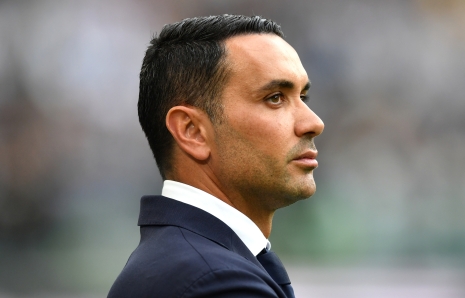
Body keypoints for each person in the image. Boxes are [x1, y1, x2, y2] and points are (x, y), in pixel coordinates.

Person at [108, 14, 324, 298]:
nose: (314, 123)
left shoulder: (183, 263)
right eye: (275, 98)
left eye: (303, 98)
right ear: (192, 131)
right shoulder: (216, 283)